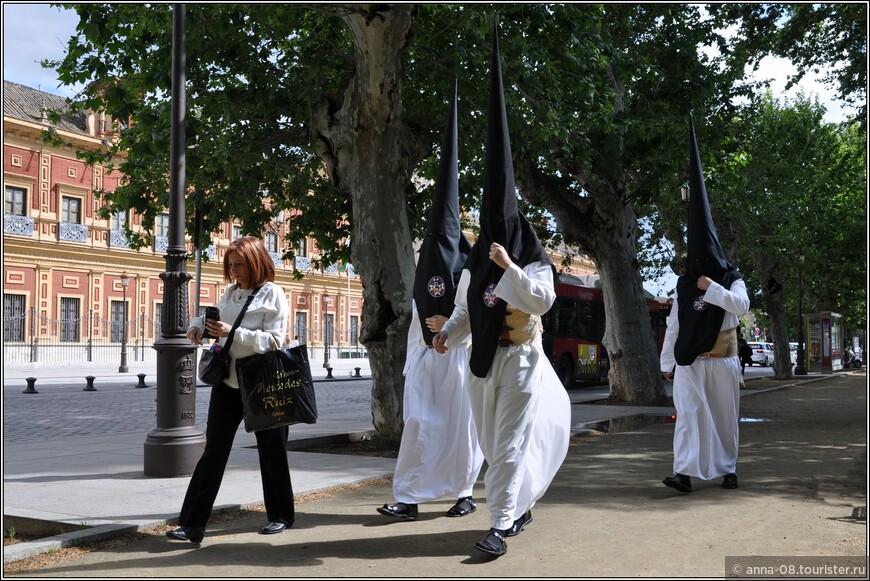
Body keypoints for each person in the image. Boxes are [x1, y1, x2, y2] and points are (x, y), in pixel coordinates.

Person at [433, 31, 571, 558]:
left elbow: (541, 300)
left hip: (521, 361)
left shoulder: (528, 254)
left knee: (508, 443)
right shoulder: (474, 263)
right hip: (483, 366)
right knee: (493, 444)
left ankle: (501, 524)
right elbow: (468, 306)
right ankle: (518, 501)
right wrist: (446, 334)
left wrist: (509, 265)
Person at [377, 81, 484, 522]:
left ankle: (463, 492)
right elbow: (417, 307)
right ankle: (409, 498)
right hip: (425, 357)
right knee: (419, 427)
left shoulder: (473, 262)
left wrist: (454, 328)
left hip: (457, 357)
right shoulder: (422, 259)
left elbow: (480, 308)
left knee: (461, 430)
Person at [166, 236, 293, 544]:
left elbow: (276, 341)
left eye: (240, 264)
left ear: (256, 262)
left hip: (262, 383)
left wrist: (233, 333)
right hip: (227, 383)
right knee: (213, 452)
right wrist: (198, 324)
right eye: (231, 265)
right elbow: (216, 316)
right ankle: (192, 525)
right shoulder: (231, 293)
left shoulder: (272, 293)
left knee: (271, 451)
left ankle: (280, 516)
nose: (234, 271)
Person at [660, 120, 750, 495]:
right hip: (691, 362)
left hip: (724, 360)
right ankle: (683, 472)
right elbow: (674, 325)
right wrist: (666, 363)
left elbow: (741, 306)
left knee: (724, 418)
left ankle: (728, 468)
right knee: (689, 418)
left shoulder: (731, 279)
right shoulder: (683, 286)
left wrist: (712, 288)